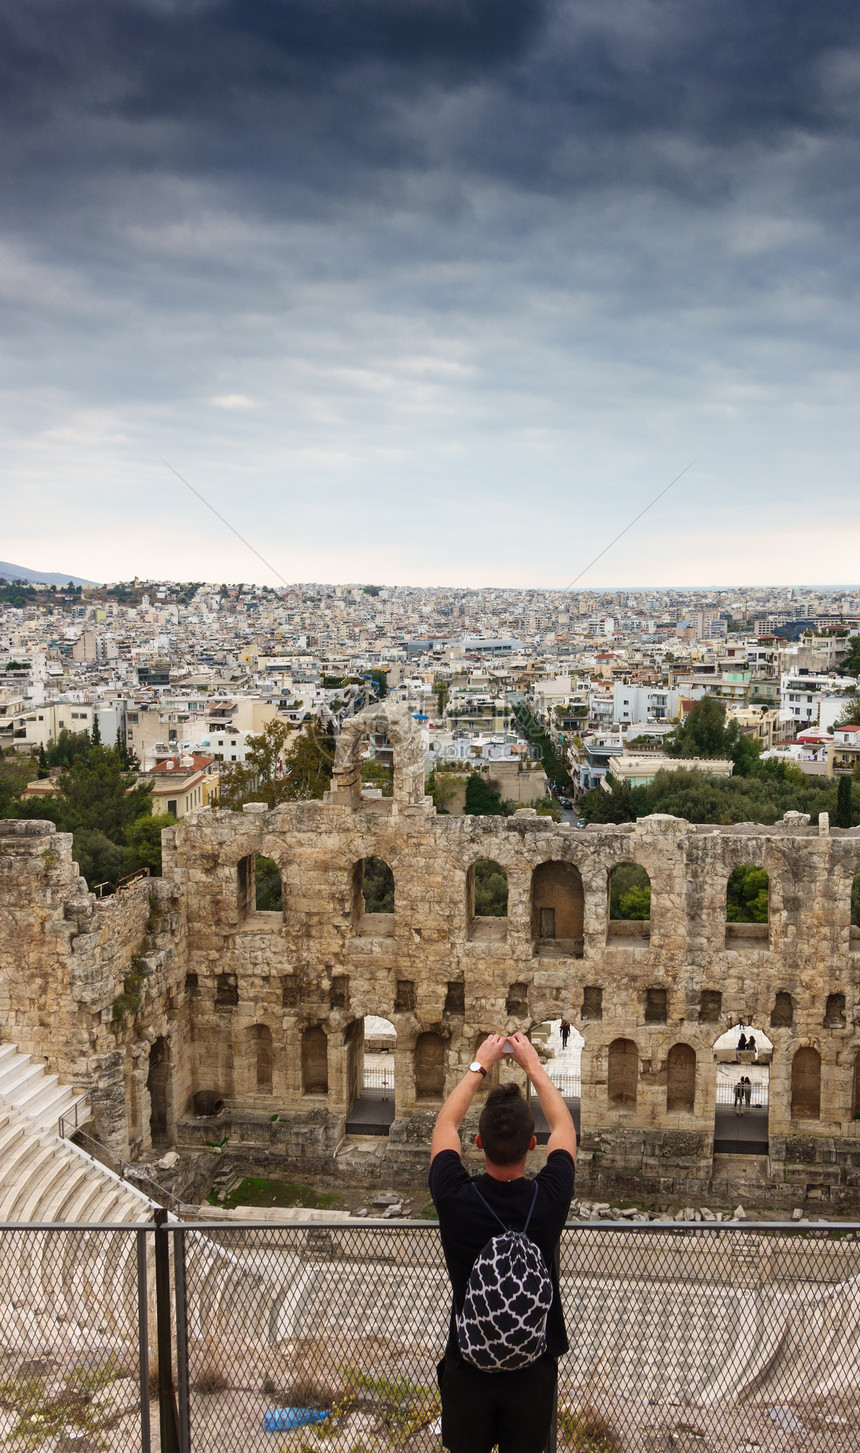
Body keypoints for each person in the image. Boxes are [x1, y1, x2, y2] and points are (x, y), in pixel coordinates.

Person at [429, 1032, 577, 1453]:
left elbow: (444, 1125)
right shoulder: (547, 1199)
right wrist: (532, 1065)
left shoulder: (456, 1197)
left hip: (468, 1363)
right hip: (531, 1367)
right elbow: (565, 1129)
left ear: (478, 1145)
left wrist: (479, 1066)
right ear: (533, 1145)